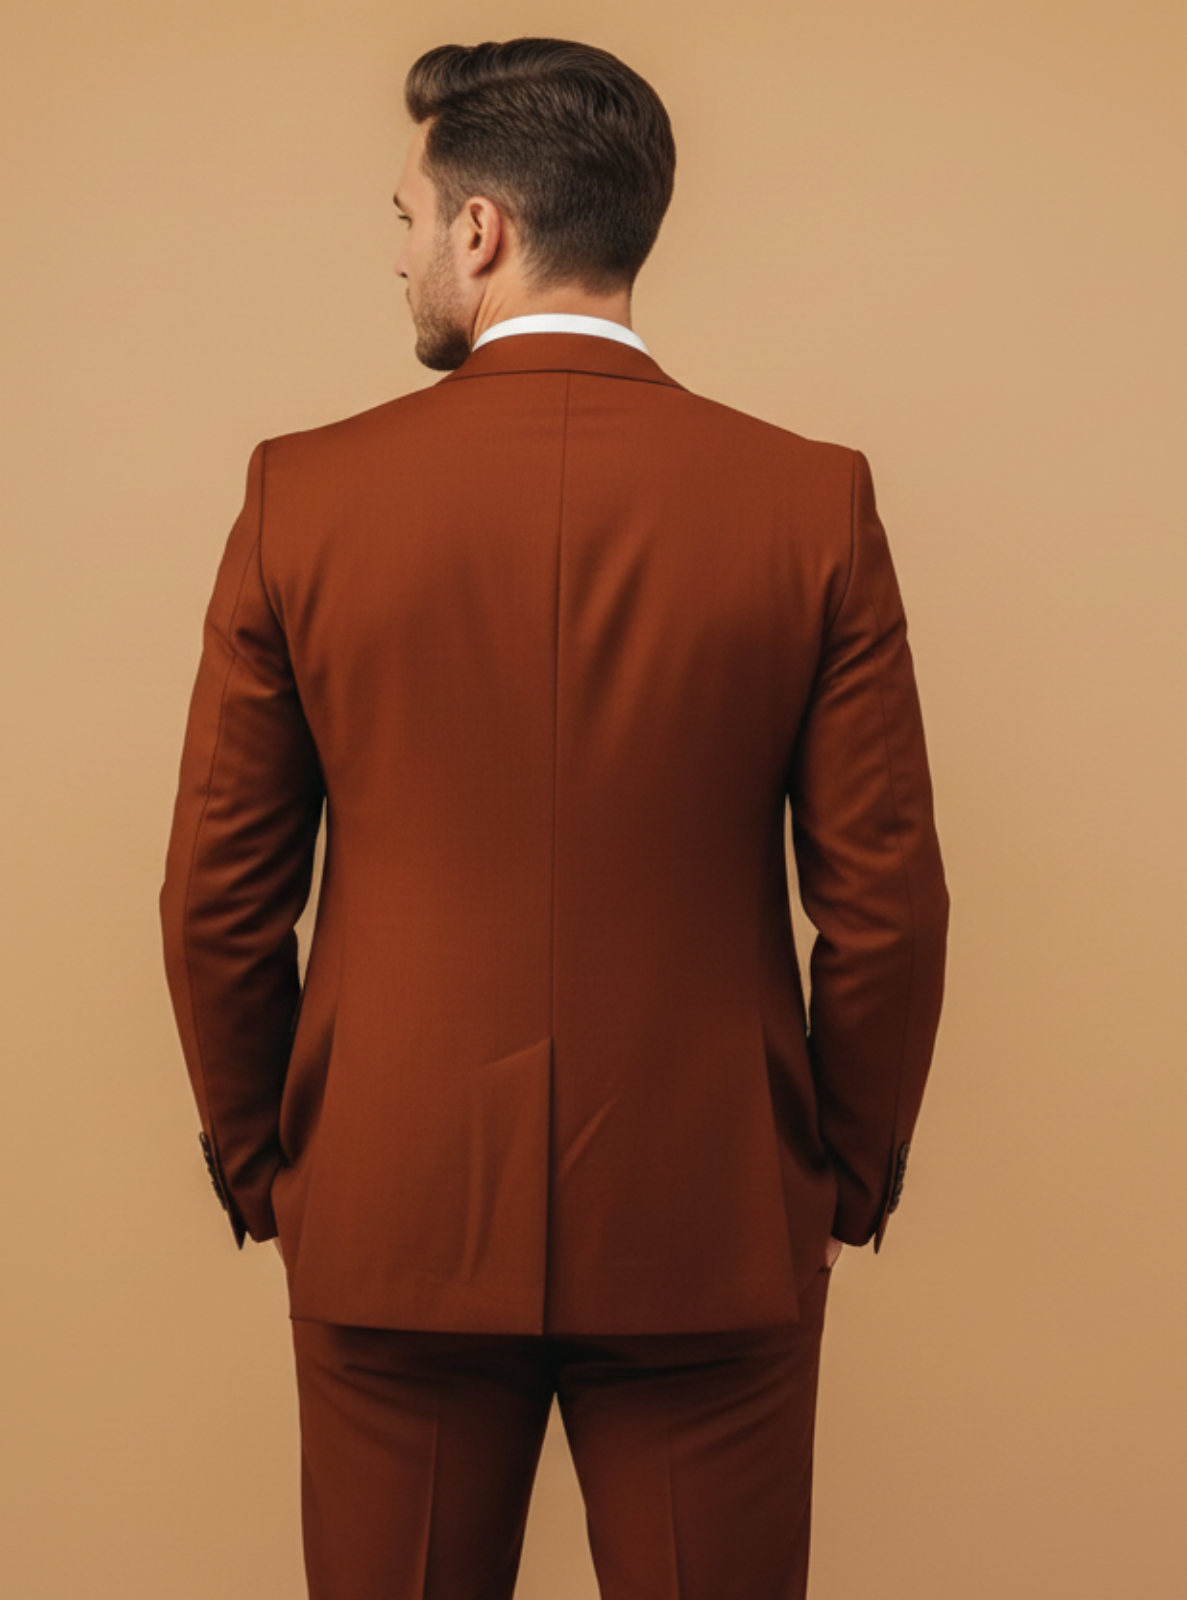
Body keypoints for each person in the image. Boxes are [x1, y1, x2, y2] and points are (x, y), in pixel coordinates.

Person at [159, 35, 948, 1600]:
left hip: (386, 1206)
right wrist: (833, 1176)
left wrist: (273, 1163)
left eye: (403, 219)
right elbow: (882, 904)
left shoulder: (301, 496)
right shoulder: (808, 502)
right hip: (713, 1215)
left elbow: (219, 895)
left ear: (479, 231)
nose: (395, 257)